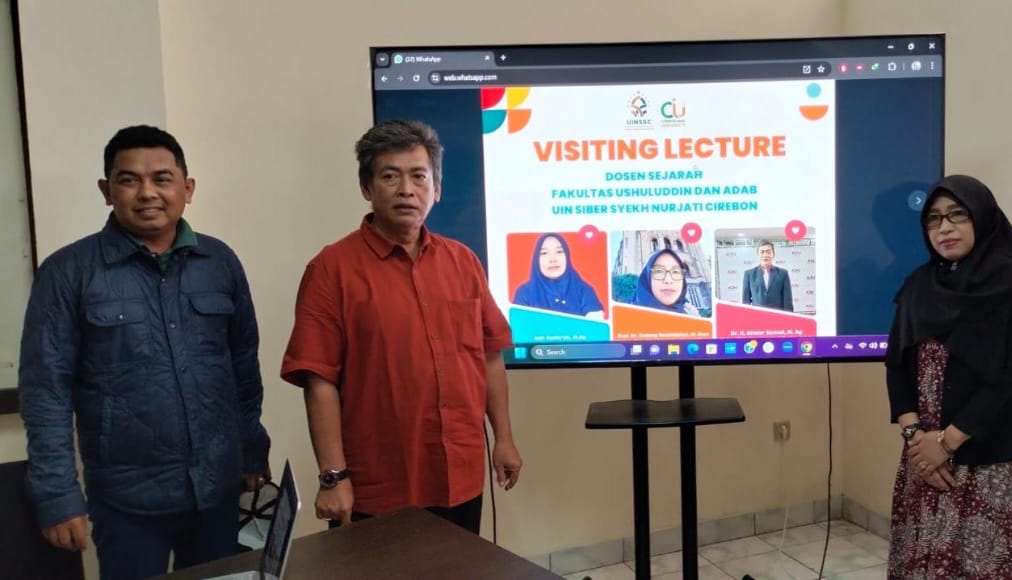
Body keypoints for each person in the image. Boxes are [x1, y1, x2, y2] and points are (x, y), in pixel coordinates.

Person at [18, 125, 271, 579]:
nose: (147, 192)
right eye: (129, 179)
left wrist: (253, 452)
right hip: (127, 500)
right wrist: (57, 495)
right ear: (106, 189)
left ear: (187, 189)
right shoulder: (68, 272)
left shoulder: (220, 263)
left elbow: (243, 371)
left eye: (162, 178)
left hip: (217, 488)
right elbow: (45, 392)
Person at [281, 120, 522, 534]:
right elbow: (319, 381)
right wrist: (332, 477)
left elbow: (488, 356)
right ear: (367, 188)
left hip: (459, 475)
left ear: (437, 189)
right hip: (379, 488)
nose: (406, 189)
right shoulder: (331, 269)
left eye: (418, 176)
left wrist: (503, 437)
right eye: (390, 176)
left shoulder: (463, 262)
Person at [884, 175, 1012, 579]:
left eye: (958, 215)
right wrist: (915, 439)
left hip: (994, 459)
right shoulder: (919, 285)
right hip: (926, 459)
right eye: (935, 219)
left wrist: (948, 441)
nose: (944, 227)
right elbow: (896, 363)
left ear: (983, 217)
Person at [512, 232, 604, 318]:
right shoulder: (525, 293)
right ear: (536, 259)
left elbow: (597, 330)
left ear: (567, 256)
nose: (552, 259)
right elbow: (521, 331)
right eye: (544, 253)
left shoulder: (584, 291)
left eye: (559, 252)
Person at [632, 248, 700, 316]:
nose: (668, 280)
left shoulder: (691, 314)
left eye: (676, 272)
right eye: (659, 271)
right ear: (647, 278)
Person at [740, 240, 794, 311]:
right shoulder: (749, 274)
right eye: (762, 252)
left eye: (768, 252)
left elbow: (787, 301)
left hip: (777, 318)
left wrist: (789, 319)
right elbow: (745, 302)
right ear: (758, 254)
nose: (765, 255)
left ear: (773, 254)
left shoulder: (783, 274)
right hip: (757, 318)